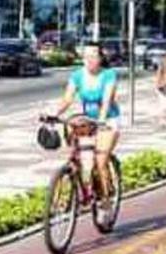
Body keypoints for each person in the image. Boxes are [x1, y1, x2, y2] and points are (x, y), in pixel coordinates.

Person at [51, 42, 121, 224]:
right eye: (86, 57)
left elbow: (106, 101)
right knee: (79, 157)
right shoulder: (77, 76)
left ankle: (105, 202)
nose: (89, 60)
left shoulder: (108, 75)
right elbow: (67, 98)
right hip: (87, 121)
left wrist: (103, 119)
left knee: (100, 161)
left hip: (107, 121)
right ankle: (82, 189)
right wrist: (54, 114)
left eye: (94, 56)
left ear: (100, 59)